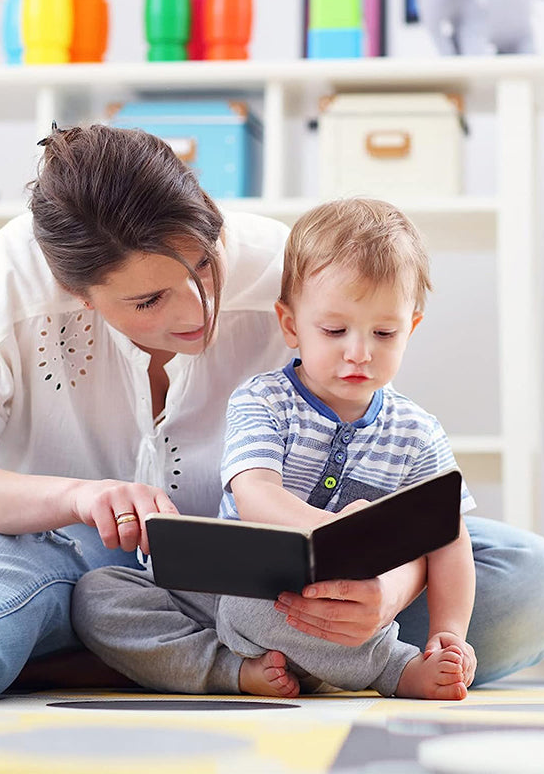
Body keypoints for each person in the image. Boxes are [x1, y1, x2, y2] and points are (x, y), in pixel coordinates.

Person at [0, 123, 544, 703]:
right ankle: (198, 656)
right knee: (22, 585)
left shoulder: (293, 274)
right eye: (150, 299)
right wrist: (78, 498)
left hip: (291, 572)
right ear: (77, 292)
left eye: (203, 265)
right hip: (69, 554)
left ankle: (114, 660)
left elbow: (416, 511)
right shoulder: (12, 285)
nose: (196, 308)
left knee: (534, 581)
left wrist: (387, 592)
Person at [74, 198, 478, 700]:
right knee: (99, 595)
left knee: (261, 609)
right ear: (290, 326)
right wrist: (337, 532)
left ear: (410, 328)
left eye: (384, 332)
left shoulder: (418, 433)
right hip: (229, 589)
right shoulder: (263, 400)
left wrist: (449, 633)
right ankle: (233, 671)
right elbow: (254, 494)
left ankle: (390, 667)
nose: (359, 352)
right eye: (334, 331)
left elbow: (449, 537)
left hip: (323, 606)